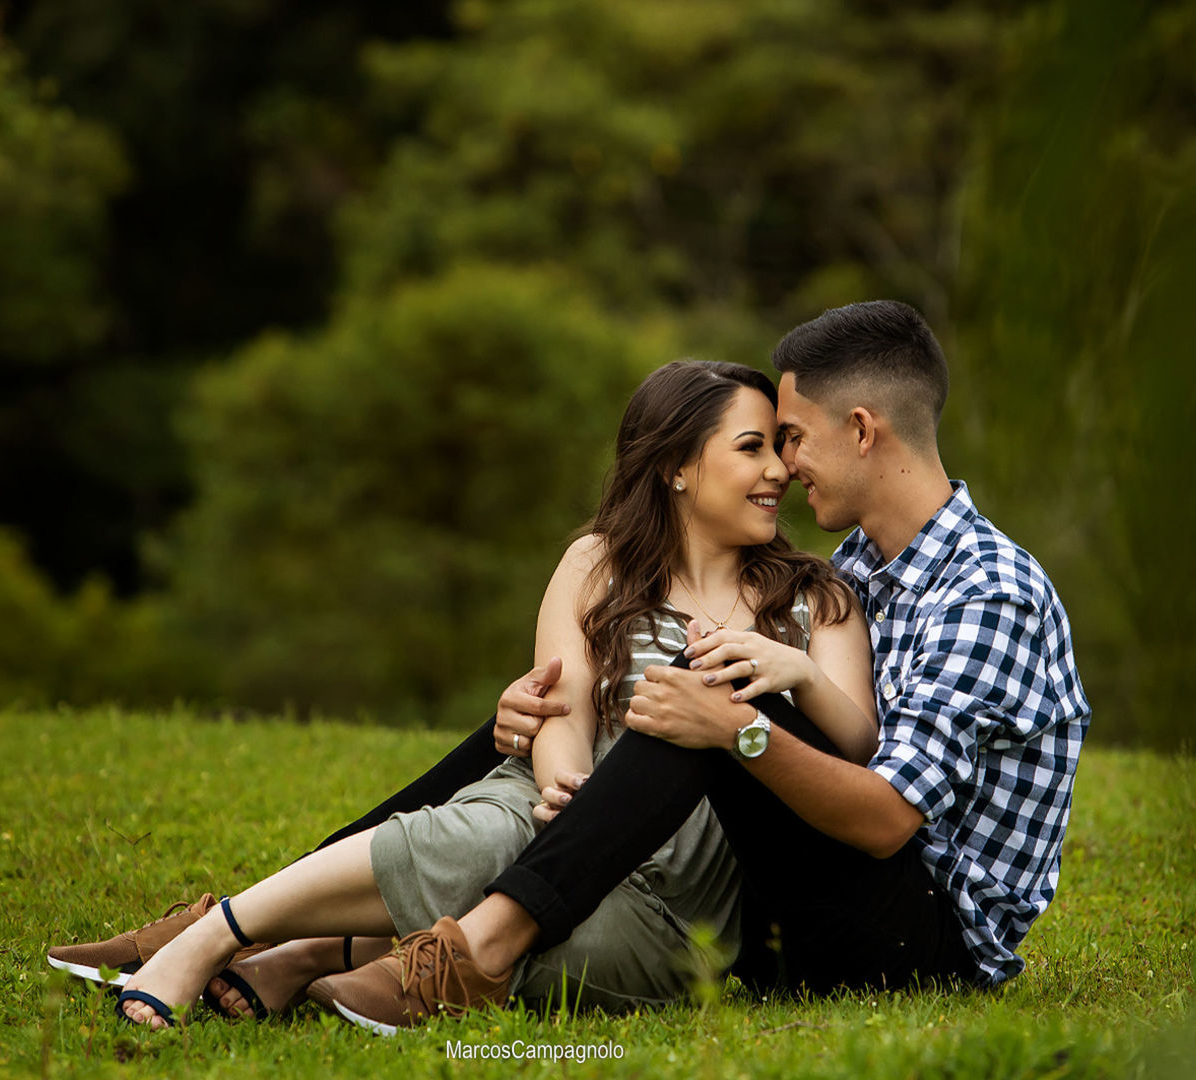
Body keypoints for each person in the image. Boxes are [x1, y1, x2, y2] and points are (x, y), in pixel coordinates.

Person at [302, 299, 1091, 1030]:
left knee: (708, 693)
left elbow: (887, 821)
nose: (784, 464)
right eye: (771, 442)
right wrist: (533, 723)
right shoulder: (866, 566)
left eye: (793, 435)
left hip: (923, 939)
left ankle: (478, 951)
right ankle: (282, 924)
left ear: (861, 430)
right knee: (552, 712)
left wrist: (741, 730)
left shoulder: (989, 592)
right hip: (792, 893)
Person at [58, 359, 880, 1029]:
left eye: (779, 447)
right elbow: (558, 701)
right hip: (554, 820)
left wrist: (799, 672)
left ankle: (306, 950)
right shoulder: (598, 563)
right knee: (491, 829)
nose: (780, 469)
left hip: (675, 906)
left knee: (560, 933)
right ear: (674, 466)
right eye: (752, 448)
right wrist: (573, 798)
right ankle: (208, 943)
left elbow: (857, 745)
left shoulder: (817, 598)